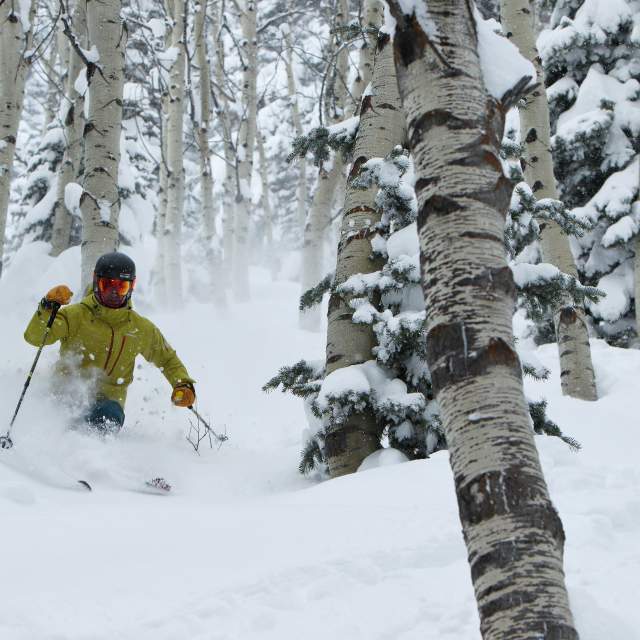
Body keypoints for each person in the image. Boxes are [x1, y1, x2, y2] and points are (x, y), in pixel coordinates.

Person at [24, 251, 196, 433]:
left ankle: (92, 454)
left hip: (108, 406)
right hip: (64, 397)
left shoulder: (139, 328)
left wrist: (183, 384)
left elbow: (167, 359)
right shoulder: (75, 316)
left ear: (132, 287)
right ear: (96, 282)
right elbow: (35, 337)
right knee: (60, 418)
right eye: (107, 285)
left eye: (121, 287)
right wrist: (47, 308)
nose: (114, 293)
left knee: (108, 415)